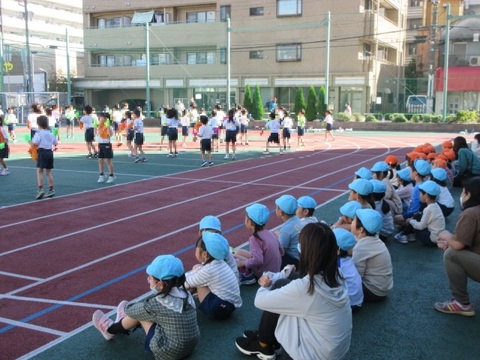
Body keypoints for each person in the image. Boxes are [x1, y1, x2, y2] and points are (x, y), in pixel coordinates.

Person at [235, 222, 352, 360]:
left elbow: (260, 301)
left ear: (305, 252)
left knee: (279, 290)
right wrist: (284, 274)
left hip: (311, 355)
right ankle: (266, 338)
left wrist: (264, 284)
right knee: (283, 283)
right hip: (335, 351)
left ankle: (263, 344)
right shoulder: (338, 274)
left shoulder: (304, 288)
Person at [92, 254, 200, 359]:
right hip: (190, 347)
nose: (148, 280)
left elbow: (130, 310)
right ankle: (119, 324)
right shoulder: (187, 295)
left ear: (160, 284)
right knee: (153, 314)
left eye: (150, 278)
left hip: (170, 353)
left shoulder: (156, 304)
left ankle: (111, 330)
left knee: (140, 314)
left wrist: (128, 309)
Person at [434, 176, 480, 317]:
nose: (462, 195)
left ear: (469, 195)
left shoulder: (471, 213)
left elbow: (458, 245)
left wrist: (446, 236)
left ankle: (461, 303)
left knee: (451, 254)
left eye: (464, 192)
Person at [185, 232, 242, 320]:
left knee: (198, 284)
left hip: (220, 310)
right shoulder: (219, 262)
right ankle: (185, 299)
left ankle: (183, 304)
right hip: (230, 305)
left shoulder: (209, 270)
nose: (195, 251)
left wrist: (173, 281)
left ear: (204, 254)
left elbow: (187, 283)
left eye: (196, 249)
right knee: (197, 270)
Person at [234, 203, 284, 285]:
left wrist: (242, 263)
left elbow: (258, 260)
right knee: (239, 252)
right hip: (276, 270)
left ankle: (248, 276)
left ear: (250, 222)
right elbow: (281, 251)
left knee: (235, 257)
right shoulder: (270, 233)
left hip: (263, 274)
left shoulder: (255, 239)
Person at [352, 209, 393, 302]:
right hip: (382, 289)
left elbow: (357, 275)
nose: (351, 222)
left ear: (361, 229)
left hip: (373, 291)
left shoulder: (362, 247)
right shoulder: (374, 239)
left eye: (353, 220)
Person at [198, 215, 239, 282]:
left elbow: (209, 272)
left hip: (225, 283)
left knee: (197, 270)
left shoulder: (212, 251)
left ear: (200, 233)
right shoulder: (221, 246)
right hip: (234, 280)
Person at [406, 181, 445, 247]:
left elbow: (421, 226)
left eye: (420, 193)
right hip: (437, 237)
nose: (419, 195)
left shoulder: (429, 209)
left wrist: (410, 221)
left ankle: (407, 234)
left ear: (426, 195)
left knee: (416, 218)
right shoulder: (435, 205)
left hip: (431, 240)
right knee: (418, 217)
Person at [333, 228, 363, 310]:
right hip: (358, 301)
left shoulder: (337, 263)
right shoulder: (348, 259)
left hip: (349, 304)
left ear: (337, 250)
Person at [30, 115, 58, 199]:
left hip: (42, 152)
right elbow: (55, 143)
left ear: (38, 124)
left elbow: (34, 143)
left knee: (39, 171)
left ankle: (40, 189)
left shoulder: (38, 134)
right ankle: (51, 189)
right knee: (48, 172)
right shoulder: (50, 133)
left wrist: (29, 141)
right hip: (50, 152)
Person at [275, 194, 303, 268]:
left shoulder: (286, 229)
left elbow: (282, 251)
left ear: (281, 212)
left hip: (294, 260)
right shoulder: (297, 220)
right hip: (301, 257)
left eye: (277, 208)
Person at [96, 113, 116, 184]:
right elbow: (96, 134)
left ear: (106, 119)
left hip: (107, 144)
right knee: (100, 160)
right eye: (100, 118)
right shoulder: (100, 126)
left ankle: (111, 175)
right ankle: (101, 174)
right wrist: (95, 127)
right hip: (100, 144)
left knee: (108, 161)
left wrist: (107, 126)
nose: (100, 119)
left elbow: (110, 135)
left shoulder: (109, 127)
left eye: (101, 118)